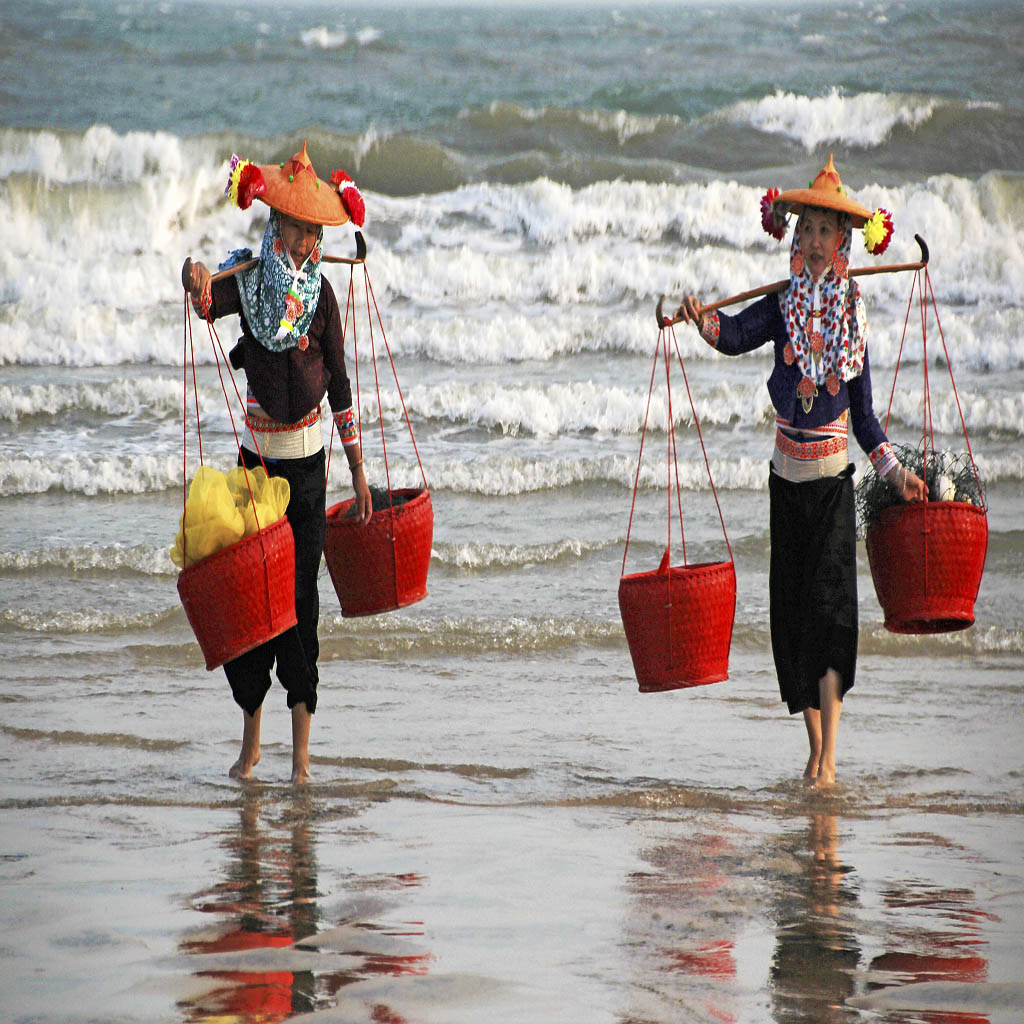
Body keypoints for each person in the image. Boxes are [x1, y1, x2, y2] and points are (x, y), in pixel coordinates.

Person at [672, 155, 926, 788]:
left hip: (834, 483)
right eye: (806, 230)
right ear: (796, 236)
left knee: (834, 614)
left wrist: (893, 474)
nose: (815, 242)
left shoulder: (853, 317)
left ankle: (830, 759)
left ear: (844, 241)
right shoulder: (783, 303)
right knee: (792, 619)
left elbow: (864, 417)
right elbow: (733, 336)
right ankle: (812, 748)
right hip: (786, 478)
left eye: (825, 232)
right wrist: (700, 320)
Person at [184, 143, 371, 784]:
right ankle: (251, 744)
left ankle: (301, 756)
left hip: (309, 470)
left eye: (317, 231)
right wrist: (197, 277)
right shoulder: (250, 281)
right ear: (278, 227)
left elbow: (340, 384)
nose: (309, 240)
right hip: (256, 469)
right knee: (251, 603)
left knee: (299, 603)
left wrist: (359, 468)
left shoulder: (320, 299)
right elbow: (208, 303)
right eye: (300, 229)